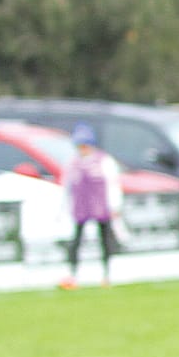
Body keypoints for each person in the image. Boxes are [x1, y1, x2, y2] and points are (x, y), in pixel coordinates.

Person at [59, 123, 121, 289]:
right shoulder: (72, 164)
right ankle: (73, 274)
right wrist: (65, 208)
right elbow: (67, 187)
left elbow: (113, 184)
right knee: (76, 241)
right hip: (81, 208)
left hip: (101, 207)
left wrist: (115, 206)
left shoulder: (104, 161)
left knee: (105, 240)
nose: (82, 149)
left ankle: (107, 274)